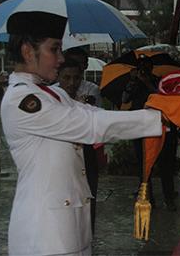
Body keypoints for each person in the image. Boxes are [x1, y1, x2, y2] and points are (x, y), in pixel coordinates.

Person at [0, 11, 162, 255]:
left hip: (70, 230)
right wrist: (159, 118)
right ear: (27, 51)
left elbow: (94, 115)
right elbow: (90, 126)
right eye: (54, 50)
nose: (60, 59)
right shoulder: (22, 99)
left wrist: (162, 108)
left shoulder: (52, 94)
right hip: (44, 236)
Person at [122, 54, 178, 210]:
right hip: (140, 128)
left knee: (165, 165)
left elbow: (164, 98)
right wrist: (133, 81)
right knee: (144, 165)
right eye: (141, 67)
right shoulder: (133, 82)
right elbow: (125, 99)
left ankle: (169, 198)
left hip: (160, 128)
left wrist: (147, 83)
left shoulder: (159, 81)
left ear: (151, 68)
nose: (144, 70)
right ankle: (148, 198)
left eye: (147, 67)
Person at [56, 59, 102, 234]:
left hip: (86, 150)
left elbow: (98, 121)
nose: (71, 82)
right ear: (58, 76)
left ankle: (88, 234)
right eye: (66, 77)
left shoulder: (91, 90)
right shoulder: (50, 96)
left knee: (88, 194)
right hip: (60, 154)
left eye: (76, 78)